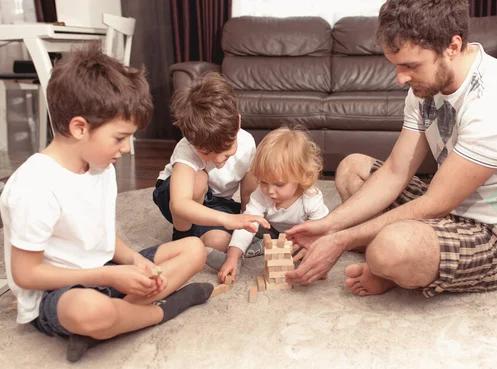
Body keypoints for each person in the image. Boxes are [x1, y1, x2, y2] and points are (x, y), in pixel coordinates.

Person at [285, 0, 497, 298]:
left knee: (389, 248)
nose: (400, 78)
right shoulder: (425, 88)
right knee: (352, 169)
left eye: (411, 65)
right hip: (447, 210)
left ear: (452, 46)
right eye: (396, 65)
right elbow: (396, 171)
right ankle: (402, 264)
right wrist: (327, 225)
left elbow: (436, 203)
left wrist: (340, 240)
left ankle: (393, 265)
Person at [0, 45, 214, 363]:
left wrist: (132, 261)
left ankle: (113, 321)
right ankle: (163, 309)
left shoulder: (102, 167)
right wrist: (109, 278)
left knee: (194, 249)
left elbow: (98, 233)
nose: (127, 149)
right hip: (59, 293)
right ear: (79, 128)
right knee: (89, 310)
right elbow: (25, 274)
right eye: (119, 137)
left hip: (107, 271)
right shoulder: (35, 185)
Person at [152, 72, 269, 255]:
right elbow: (179, 204)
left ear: (238, 122)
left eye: (226, 149)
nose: (218, 159)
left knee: (222, 243)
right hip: (175, 198)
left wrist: (246, 227)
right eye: (206, 152)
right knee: (199, 179)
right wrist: (226, 220)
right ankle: (181, 236)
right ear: (190, 139)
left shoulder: (247, 143)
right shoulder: (187, 148)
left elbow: (247, 194)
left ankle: (200, 236)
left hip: (217, 203)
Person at [207, 126, 329, 283]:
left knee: (311, 251)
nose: (270, 191)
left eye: (279, 184)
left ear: (302, 176)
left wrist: (312, 249)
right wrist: (232, 257)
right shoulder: (261, 194)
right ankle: (240, 256)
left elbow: (324, 229)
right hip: (269, 230)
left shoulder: (311, 197)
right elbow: (248, 224)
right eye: (263, 182)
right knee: (243, 232)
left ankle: (263, 247)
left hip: (301, 236)